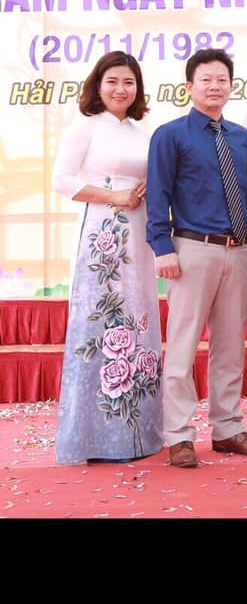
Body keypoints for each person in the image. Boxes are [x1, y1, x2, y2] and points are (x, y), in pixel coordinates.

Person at [145, 48, 247, 468]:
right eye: (206, 80)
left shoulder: (241, 136)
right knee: (182, 345)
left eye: (222, 80)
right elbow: (158, 193)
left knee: (230, 345)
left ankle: (228, 428)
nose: (215, 86)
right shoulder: (171, 135)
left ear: (231, 86)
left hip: (237, 252)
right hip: (191, 250)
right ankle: (179, 435)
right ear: (189, 86)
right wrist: (162, 247)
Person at [52, 51, 164, 464]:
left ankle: (138, 434)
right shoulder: (85, 127)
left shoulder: (141, 131)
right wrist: (113, 196)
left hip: (139, 233)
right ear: (98, 85)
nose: (121, 89)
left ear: (138, 88)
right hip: (103, 233)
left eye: (129, 82)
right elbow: (62, 180)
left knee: (137, 319)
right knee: (99, 323)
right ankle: (91, 438)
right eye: (113, 81)